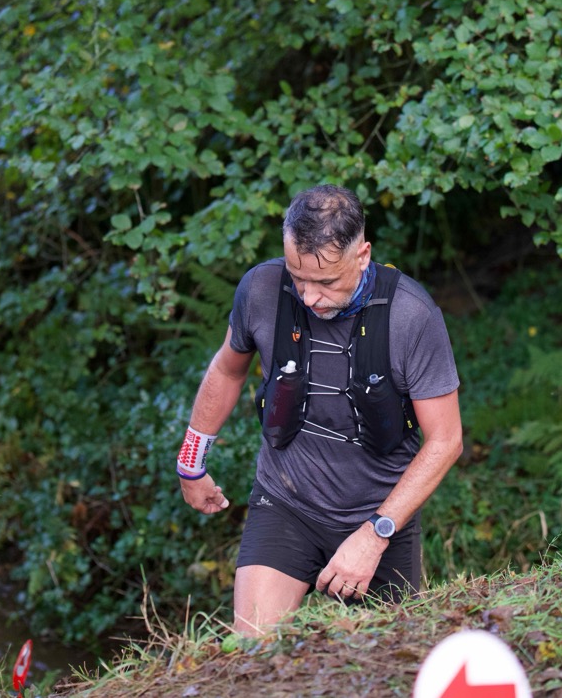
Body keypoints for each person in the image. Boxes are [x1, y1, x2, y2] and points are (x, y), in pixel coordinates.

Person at [176, 184, 464, 636]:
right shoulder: (262, 289)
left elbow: (446, 441)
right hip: (286, 501)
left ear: (363, 255)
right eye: (298, 277)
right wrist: (190, 461)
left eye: (326, 282)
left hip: (378, 511)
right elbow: (228, 370)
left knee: (387, 660)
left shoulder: (411, 316)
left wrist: (375, 534)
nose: (309, 297)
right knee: (252, 653)